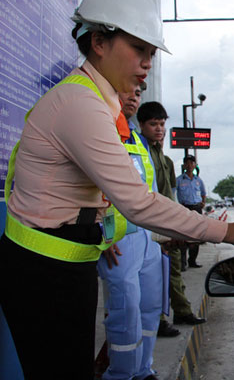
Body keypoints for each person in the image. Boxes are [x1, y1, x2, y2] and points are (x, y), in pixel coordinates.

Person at [0, 0, 234, 379]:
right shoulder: (81, 105)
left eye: (151, 53)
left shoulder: (99, 103)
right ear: (99, 41)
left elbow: (95, 196)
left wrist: (105, 233)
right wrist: (226, 230)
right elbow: (138, 201)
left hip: (66, 260)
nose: (147, 63)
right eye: (139, 49)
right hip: (44, 270)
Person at [97, 83, 163, 380]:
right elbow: (90, 188)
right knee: (126, 310)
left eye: (138, 93)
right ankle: (121, 374)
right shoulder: (100, 130)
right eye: (128, 91)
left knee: (150, 306)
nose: (134, 97)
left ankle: (143, 368)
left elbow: (151, 191)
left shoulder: (137, 139)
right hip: (118, 239)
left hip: (146, 238)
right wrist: (102, 233)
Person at [137, 101, 206, 331]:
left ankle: (182, 311)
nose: (159, 129)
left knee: (173, 268)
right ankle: (157, 320)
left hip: (168, 220)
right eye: (153, 124)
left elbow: (170, 195)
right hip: (149, 224)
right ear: (141, 125)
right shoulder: (140, 152)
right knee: (154, 275)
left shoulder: (164, 159)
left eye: (162, 124)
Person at [176, 154, 207, 269]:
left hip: (197, 208)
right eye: (187, 163)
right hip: (184, 209)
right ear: (184, 165)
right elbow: (174, 194)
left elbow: (203, 193)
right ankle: (183, 263)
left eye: (191, 163)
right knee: (183, 235)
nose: (189, 166)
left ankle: (192, 261)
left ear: (195, 166)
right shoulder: (179, 180)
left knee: (196, 235)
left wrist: (203, 202)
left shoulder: (198, 180)